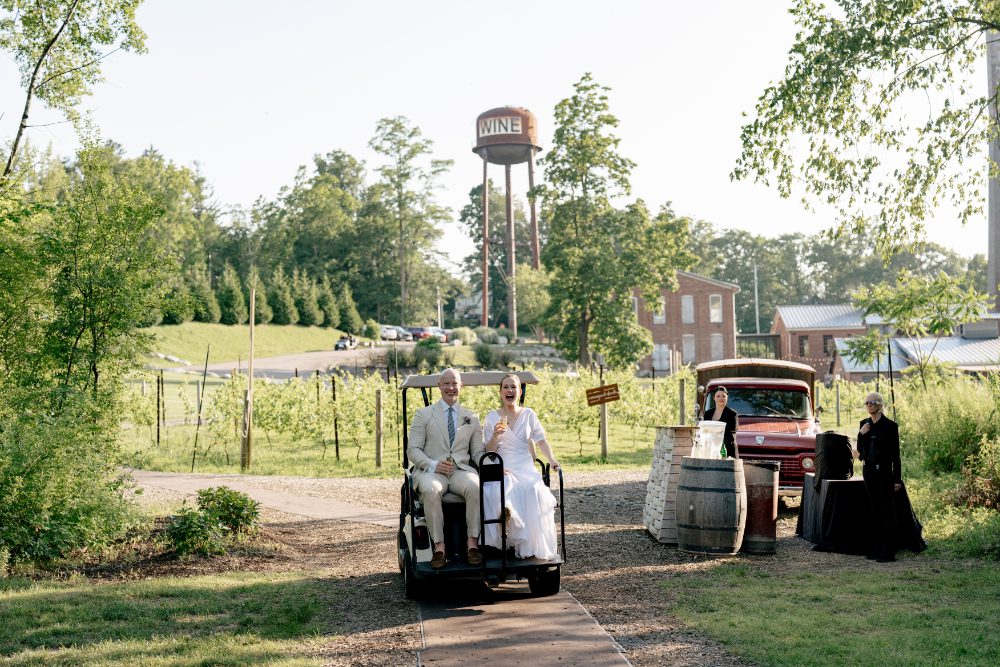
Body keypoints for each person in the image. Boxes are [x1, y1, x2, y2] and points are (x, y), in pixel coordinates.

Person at [407, 368, 485, 569]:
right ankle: (439, 548)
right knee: (431, 490)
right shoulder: (423, 414)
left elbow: (477, 453)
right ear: (439, 386)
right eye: (446, 384)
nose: (451, 388)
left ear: (461, 386)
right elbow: (413, 450)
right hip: (432, 471)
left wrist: (493, 462)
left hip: (460, 471)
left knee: (475, 486)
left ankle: (472, 544)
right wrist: (433, 464)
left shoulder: (472, 417)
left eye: (455, 384)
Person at [481, 373, 561, 560]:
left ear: (519, 391)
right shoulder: (492, 417)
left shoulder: (529, 414)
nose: (510, 390)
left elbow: (541, 441)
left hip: (524, 464)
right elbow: (488, 451)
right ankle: (506, 514)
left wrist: (552, 460)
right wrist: (495, 436)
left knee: (534, 488)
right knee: (505, 483)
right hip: (503, 463)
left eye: (513, 387)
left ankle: (525, 538)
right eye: (506, 387)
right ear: (500, 392)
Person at [857, 391, 902, 562]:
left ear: (880, 405)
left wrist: (897, 479)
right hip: (869, 472)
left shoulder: (890, 426)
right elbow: (860, 450)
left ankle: (889, 551)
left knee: (887, 511)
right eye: (866, 403)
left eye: (872, 402)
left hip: (884, 472)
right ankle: (877, 548)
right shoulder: (864, 424)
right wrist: (861, 434)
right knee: (874, 510)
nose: (869, 405)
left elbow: (896, 456)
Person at [709, 386, 739, 458]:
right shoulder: (708, 413)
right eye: (718, 396)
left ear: (727, 397)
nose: (721, 398)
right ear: (714, 398)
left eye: (723, 396)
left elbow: (732, 435)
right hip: (710, 450)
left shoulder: (733, 414)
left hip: (727, 451)